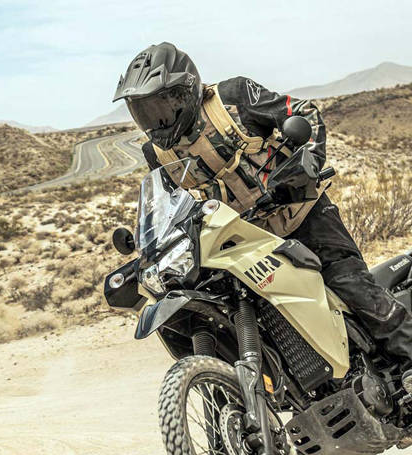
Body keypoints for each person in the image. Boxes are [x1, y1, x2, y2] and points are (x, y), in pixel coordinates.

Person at [113, 42, 412, 390]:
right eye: (144, 112)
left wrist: (306, 165)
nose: (155, 121)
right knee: (223, 308)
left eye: (161, 107)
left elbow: (304, 114)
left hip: (301, 212)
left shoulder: (233, 99)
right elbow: (166, 203)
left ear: (186, 91)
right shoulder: (156, 153)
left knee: (351, 285)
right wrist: (151, 245)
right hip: (246, 240)